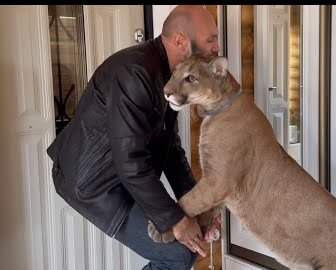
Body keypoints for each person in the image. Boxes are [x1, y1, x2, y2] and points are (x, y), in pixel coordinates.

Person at [46, 5, 220, 270]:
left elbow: (170, 149)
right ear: (180, 41)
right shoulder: (134, 73)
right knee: (177, 255)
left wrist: (200, 209)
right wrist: (177, 221)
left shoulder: (171, 74)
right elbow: (131, 163)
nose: (216, 48)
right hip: (92, 182)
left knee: (187, 248)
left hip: (124, 174)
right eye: (211, 39)